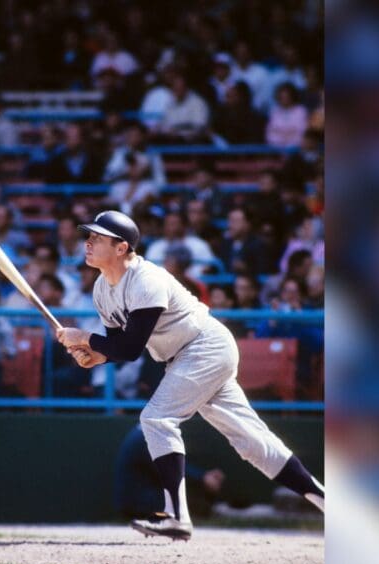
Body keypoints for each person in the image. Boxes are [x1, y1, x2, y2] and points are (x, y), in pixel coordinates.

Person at [56, 210, 324, 541]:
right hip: (186, 356)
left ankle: (177, 517)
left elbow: (130, 346)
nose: (88, 242)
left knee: (156, 419)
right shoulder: (101, 289)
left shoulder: (145, 279)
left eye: (97, 237)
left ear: (122, 247)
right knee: (253, 444)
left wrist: (82, 338)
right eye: (89, 236)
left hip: (204, 346)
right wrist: (95, 357)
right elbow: (117, 347)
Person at [115, 425, 225, 520]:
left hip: (143, 500)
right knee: (186, 498)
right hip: (139, 507)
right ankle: (216, 511)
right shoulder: (147, 435)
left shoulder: (147, 431)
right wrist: (203, 478)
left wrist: (202, 477)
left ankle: (218, 510)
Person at [265, 82, 309, 148]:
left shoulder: (301, 111)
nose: (284, 100)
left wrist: (285, 136)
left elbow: (302, 132)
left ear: (292, 97)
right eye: (282, 97)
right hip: (276, 149)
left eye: (287, 97)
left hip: (296, 148)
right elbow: (270, 133)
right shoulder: (274, 111)